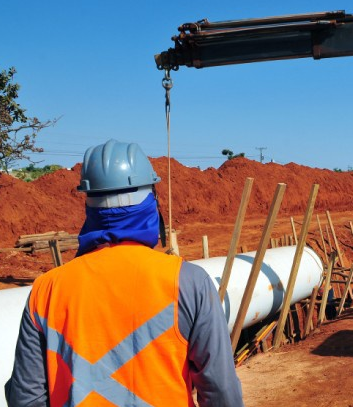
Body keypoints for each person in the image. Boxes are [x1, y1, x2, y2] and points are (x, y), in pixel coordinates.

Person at [5, 140, 244, 406]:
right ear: (150, 202)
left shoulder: (46, 290)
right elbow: (222, 390)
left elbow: (25, 398)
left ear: (89, 205)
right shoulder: (188, 282)